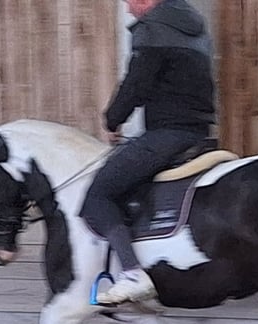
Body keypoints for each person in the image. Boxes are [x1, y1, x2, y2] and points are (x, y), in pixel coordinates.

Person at [80, 0, 216, 305]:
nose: (128, 10)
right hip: (200, 131)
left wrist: (112, 120)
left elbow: (136, 83)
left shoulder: (151, 28)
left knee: (97, 196)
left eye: (130, 2)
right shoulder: (195, 25)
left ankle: (132, 273)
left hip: (166, 135)